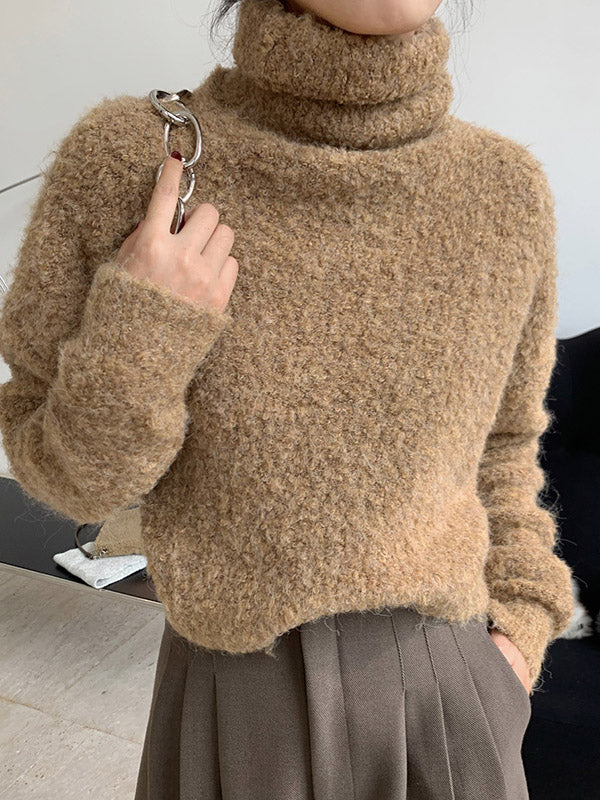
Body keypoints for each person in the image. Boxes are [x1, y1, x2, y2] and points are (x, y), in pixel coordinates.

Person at [0, 0, 575, 797]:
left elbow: (504, 449)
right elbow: (71, 482)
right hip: (233, 701)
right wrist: (142, 331)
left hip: (450, 694)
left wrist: (522, 625)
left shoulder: (504, 191)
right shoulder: (134, 162)